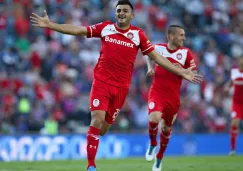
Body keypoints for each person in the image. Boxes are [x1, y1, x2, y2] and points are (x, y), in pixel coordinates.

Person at [30, 1, 202, 171]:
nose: (121, 13)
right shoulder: (106, 28)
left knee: (103, 129)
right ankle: (91, 165)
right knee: (96, 119)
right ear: (115, 13)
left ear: (132, 15)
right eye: (118, 10)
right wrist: (50, 24)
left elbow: (157, 58)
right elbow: (78, 30)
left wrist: (182, 72)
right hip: (101, 83)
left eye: (125, 11)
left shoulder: (138, 35)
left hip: (120, 89)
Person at [145, 25, 198, 171]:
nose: (184, 38)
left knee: (167, 129)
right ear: (171, 36)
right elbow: (147, 54)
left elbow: (192, 71)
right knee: (154, 118)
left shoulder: (186, 53)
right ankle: (152, 144)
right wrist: (150, 67)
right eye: (181, 35)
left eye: (184, 35)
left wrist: (182, 71)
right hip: (157, 92)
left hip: (173, 97)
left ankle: (159, 158)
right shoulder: (158, 48)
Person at [224, 57, 243, 156]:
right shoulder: (234, 71)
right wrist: (227, 87)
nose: (241, 62)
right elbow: (231, 83)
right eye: (240, 60)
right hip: (237, 103)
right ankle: (232, 149)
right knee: (234, 123)